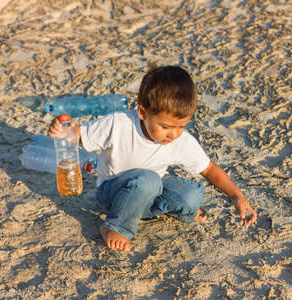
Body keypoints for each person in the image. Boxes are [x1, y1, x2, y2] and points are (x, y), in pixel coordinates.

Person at [48, 65, 257, 251]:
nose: (173, 134)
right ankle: (114, 226)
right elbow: (81, 135)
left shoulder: (180, 140)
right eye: (165, 127)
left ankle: (151, 211)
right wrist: (66, 133)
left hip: (150, 190)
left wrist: (237, 197)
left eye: (181, 126)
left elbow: (210, 170)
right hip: (113, 191)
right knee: (148, 180)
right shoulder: (119, 124)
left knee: (191, 194)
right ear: (142, 112)